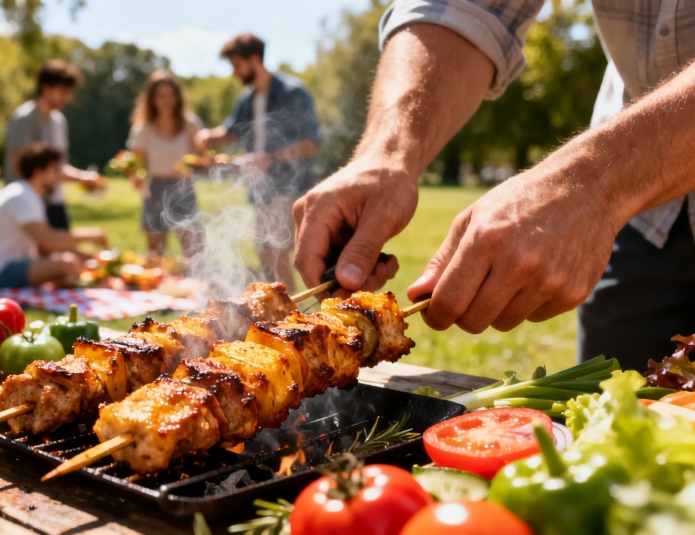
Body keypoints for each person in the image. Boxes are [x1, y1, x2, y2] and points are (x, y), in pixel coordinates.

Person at [292, 0, 695, 372]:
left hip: (616, 189)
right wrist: (387, 154)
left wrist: (595, 182)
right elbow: (463, 7)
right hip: (642, 223)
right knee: (618, 425)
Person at [196, 33, 322, 294]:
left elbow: (312, 141)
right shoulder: (247, 98)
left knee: (276, 253)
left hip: (289, 188)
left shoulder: (291, 92)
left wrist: (271, 158)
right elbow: (231, 131)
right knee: (266, 254)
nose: (234, 73)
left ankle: (292, 318)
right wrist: (207, 135)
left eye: (236, 65)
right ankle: (284, 314)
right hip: (259, 189)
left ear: (254, 59)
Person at [0, 143, 107, 288]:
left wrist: (86, 256)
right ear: (39, 172)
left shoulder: (26, 193)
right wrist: (91, 234)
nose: (59, 177)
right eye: (55, 170)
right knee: (67, 264)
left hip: (8, 266)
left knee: (73, 261)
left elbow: (43, 247)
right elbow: (48, 241)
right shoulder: (22, 196)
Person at [4, 59, 105, 231]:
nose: (68, 97)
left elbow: (59, 166)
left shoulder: (59, 121)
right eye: (63, 91)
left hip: (54, 201)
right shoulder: (25, 119)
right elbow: (18, 165)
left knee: (67, 252)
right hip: (27, 204)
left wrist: (84, 177)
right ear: (45, 87)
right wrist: (78, 178)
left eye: (69, 91)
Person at [127, 69, 204, 259]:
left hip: (183, 188)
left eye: (170, 95)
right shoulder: (143, 129)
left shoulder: (190, 124)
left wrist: (198, 164)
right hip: (156, 189)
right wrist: (137, 179)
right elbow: (136, 165)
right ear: (151, 99)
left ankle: (193, 286)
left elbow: (202, 158)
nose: (166, 101)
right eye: (160, 96)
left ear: (178, 98)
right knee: (156, 254)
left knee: (194, 249)